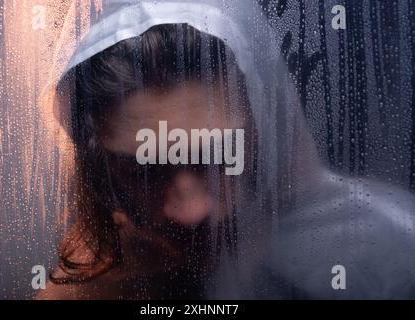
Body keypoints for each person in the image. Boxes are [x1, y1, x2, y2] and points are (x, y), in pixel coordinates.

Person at [38, 0, 415, 299]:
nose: (190, 212)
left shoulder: (392, 259)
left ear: (264, 133)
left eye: (220, 157)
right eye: (143, 170)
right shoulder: (109, 267)